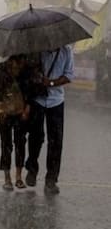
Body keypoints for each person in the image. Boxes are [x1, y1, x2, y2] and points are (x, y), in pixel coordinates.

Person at [25, 44, 74, 195]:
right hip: (38, 99)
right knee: (36, 137)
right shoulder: (37, 50)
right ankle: (32, 169)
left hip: (56, 100)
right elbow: (29, 71)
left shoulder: (67, 52)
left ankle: (51, 180)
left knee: (56, 141)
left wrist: (51, 82)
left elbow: (69, 76)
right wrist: (37, 77)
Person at [0, 55, 32, 190]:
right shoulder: (1, 70)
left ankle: (19, 177)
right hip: (5, 113)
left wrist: (27, 108)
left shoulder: (26, 69)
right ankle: (7, 178)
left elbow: (29, 91)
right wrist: (0, 110)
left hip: (20, 112)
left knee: (20, 142)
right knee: (6, 143)